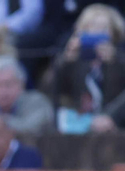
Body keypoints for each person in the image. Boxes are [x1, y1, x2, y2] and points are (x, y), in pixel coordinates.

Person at [48, 4, 125, 133]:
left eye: (104, 28)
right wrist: (65, 61)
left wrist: (115, 63)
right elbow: (52, 92)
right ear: (81, 31)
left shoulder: (120, 59)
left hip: (115, 127)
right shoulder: (72, 61)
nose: (97, 32)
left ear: (113, 33)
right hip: (78, 127)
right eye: (92, 27)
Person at [0, 54, 54, 133]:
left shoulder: (37, 102)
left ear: (21, 84)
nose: (3, 91)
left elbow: (30, 129)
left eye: (8, 84)